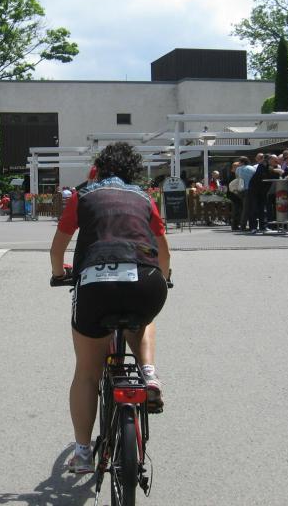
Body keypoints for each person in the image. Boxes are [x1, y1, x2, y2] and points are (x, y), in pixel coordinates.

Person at [49, 142, 171, 474]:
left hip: (95, 285)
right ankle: (148, 372)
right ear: (133, 172)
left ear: (99, 169)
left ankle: (83, 454)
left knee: (87, 373)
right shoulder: (143, 197)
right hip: (144, 280)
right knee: (144, 317)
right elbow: (163, 250)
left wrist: (59, 274)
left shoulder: (83, 195)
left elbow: (57, 249)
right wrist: (164, 277)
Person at [235, 156, 255, 232]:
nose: (239, 163)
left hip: (241, 189)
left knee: (245, 208)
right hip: (250, 189)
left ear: (242, 162)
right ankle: (251, 225)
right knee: (250, 208)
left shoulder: (238, 169)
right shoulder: (252, 168)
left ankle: (243, 225)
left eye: (239, 162)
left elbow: (237, 178)